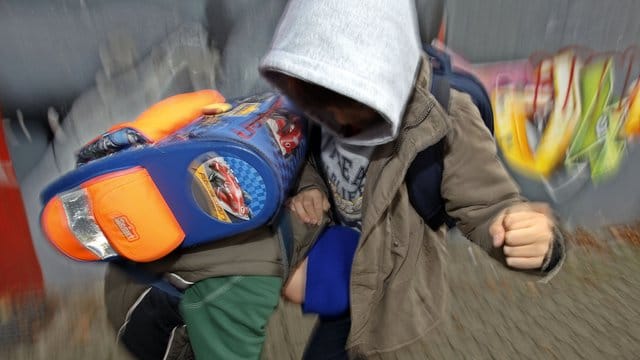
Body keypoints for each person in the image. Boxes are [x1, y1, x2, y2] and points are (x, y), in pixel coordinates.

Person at [258, 0, 565, 358]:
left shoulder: (447, 116)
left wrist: (532, 241)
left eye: (359, 118)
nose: (342, 128)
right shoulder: (316, 97)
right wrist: (310, 187)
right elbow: (310, 155)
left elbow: (489, 207)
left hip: (393, 308)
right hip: (342, 273)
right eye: (326, 115)